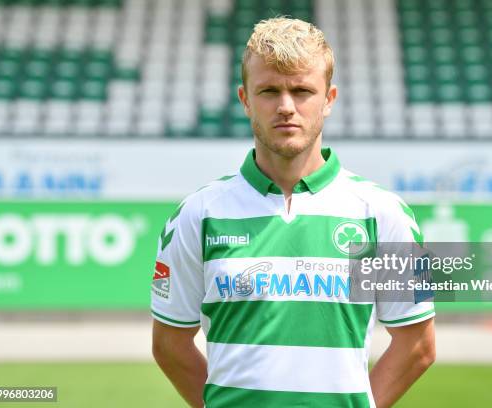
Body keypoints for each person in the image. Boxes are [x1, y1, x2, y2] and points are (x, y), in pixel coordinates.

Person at [151, 17, 435, 408]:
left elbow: (417, 344)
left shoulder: (382, 212)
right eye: (269, 90)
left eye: (302, 90)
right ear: (245, 99)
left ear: (329, 99)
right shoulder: (198, 214)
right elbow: (169, 343)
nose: (286, 107)